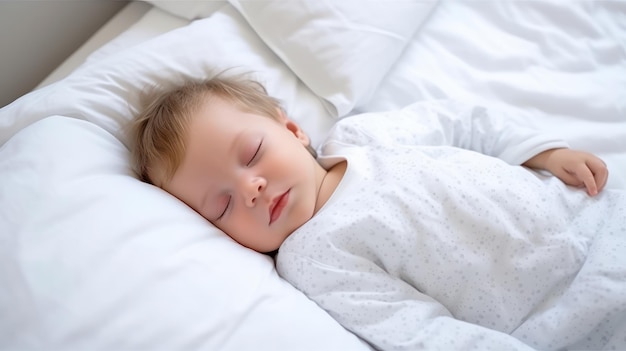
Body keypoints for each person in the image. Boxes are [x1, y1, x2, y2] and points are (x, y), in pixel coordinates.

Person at [131, 75, 626, 350]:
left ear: (293, 128)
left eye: (253, 152)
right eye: (222, 205)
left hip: (585, 212)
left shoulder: (363, 137)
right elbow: (418, 331)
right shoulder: (313, 259)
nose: (252, 187)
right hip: (558, 314)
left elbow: (459, 121)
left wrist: (541, 151)